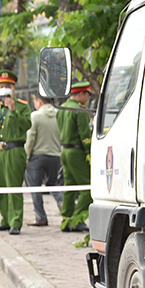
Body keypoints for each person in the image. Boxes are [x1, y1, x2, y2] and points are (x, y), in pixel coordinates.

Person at [0, 70, 32, 234]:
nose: (4, 89)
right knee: (1, 188)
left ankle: (16, 221)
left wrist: (13, 110)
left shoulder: (22, 106)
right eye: (1, 86)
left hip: (14, 150)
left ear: (14, 88)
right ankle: (5, 219)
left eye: (7, 86)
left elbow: (26, 125)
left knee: (14, 188)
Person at [58, 81, 93, 232]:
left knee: (70, 187)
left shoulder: (61, 108)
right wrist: (89, 152)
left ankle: (66, 219)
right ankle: (77, 219)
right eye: (87, 95)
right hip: (78, 152)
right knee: (88, 188)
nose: (87, 99)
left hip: (65, 151)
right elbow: (85, 135)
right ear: (80, 94)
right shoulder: (79, 110)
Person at [24, 92, 63, 227]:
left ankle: (41, 217)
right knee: (53, 183)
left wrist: (26, 155)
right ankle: (62, 204)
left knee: (35, 187)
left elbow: (31, 138)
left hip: (37, 157)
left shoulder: (35, 116)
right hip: (55, 156)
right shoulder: (59, 114)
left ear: (39, 102)